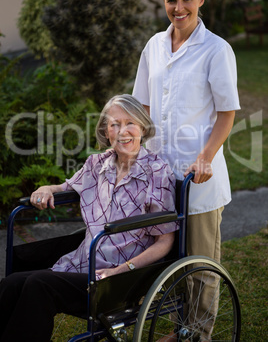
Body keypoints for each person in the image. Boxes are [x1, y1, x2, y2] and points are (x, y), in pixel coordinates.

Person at [0, 94, 178, 342]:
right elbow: (65, 187)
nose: (122, 131)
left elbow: (164, 241)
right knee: (11, 284)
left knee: (39, 285)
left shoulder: (157, 173)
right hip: (81, 263)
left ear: (143, 127)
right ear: (106, 130)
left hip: (118, 279)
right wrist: (47, 189)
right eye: (114, 124)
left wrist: (121, 270)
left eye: (130, 123)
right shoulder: (97, 163)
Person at [133, 0, 240, 341]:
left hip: (199, 179)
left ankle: (199, 335)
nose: (179, 8)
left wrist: (206, 156)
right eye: (171, 0)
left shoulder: (216, 50)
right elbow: (143, 108)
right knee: (171, 263)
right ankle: (183, 331)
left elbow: (226, 113)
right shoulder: (154, 46)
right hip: (160, 176)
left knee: (201, 266)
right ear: (164, 1)